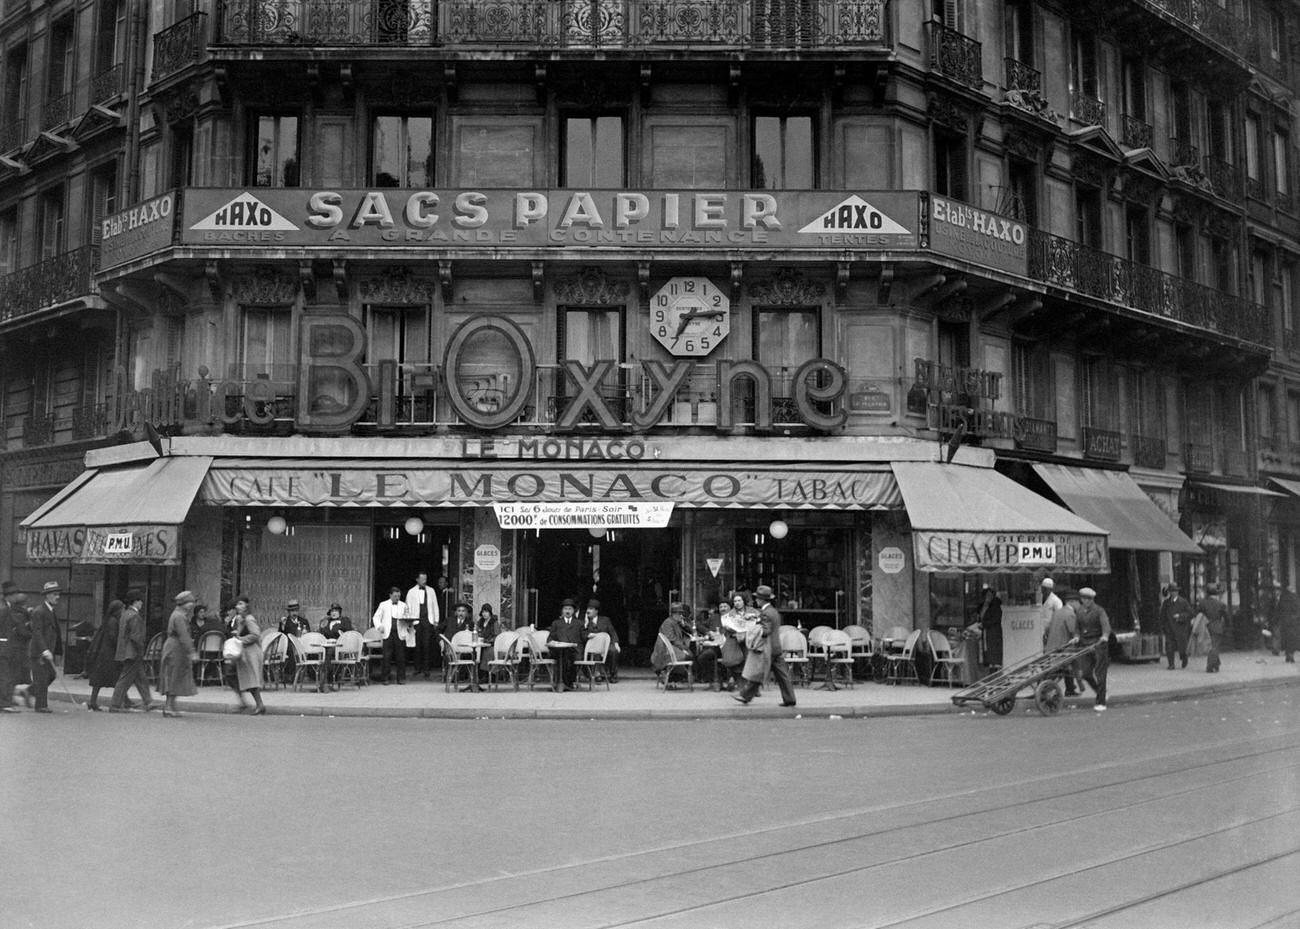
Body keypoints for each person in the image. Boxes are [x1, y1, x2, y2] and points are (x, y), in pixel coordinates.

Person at [734, 585, 797, 708]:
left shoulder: (765, 613)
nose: (756, 600)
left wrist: (753, 629)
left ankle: (745, 696)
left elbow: (766, 630)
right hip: (776, 647)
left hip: (767, 648)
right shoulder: (773, 611)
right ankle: (790, 699)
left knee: (758, 671)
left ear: (762, 600)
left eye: (757, 598)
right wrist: (757, 618)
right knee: (782, 675)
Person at [110, 590, 156, 712]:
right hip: (133, 652)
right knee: (125, 679)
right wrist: (141, 650)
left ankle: (148, 701)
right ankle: (115, 705)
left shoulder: (125, 614)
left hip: (125, 651)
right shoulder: (135, 616)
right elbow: (136, 637)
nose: (142, 603)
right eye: (140, 600)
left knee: (141, 678)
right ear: (135, 601)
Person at [1071, 587, 1112, 712]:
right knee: (1086, 673)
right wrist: (1076, 637)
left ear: (1092, 599)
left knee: (1100, 673)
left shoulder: (1099, 611)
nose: (1086, 601)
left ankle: (1101, 702)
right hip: (1085, 643)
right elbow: (1077, 627)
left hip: (1098, 643)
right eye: (1084, 599)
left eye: (1089, 599)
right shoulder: (1079, 611)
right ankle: (1101, 692)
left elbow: (1106, 625)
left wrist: (1105, 635)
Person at [159, 590, 199, 717]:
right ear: (182, 603)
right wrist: (192, 651)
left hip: (174, 646)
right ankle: (169, 707)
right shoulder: (180, 617)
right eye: (189, 602)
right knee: (175, 676)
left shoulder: (177, 614)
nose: (191, 605)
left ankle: (170, 706)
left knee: (173, 675)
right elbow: (184, 635)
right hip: (176, 648)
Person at [27, 581, 61, 713]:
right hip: (39, 652)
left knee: (50, 675)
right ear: (47, 596)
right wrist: (45, 650)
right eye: (54, 594)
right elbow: (37, 632)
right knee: (42, 677)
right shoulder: (39, 611)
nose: (57, 597)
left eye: (58, 594)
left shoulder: (50, 610)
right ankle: (41, 705)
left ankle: (29, 691)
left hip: (47, 650)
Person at [85, 599, 126, 711]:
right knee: (118, 679)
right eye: (122, 608)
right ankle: (121, 702)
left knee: (99, 681)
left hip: (103, 654)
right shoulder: (113, 622)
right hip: (109, 654)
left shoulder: (108, 620)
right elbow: (114, 637)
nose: (123, 611)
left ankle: (93, 702)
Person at [228, 595, 266, 714]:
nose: (237, 607)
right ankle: (244, 702)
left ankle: (259, 705)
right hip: (244, 653)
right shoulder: (240, 619)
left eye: (240, 604)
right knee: (232, 675)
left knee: (251, 679)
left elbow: (255, 635)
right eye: (237, 604)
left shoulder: (249, 619)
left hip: (251, 653)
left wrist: (240, 639)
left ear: (246, 606)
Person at [1043, 589, 1080, 696]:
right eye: (1078, 602)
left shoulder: (1058, 612)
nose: (1079, 605)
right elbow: (1074, 632)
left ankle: (1070, 689)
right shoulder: (1070, 614)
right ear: (1072, 602)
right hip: (1062, 649)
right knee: (1069, 664)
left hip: (1051, 647)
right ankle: (1068, 689)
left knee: (1068, 667)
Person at [372, 586, 412, 685]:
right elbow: (376, 617)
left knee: (401, 657)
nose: (397, 598)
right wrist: (379, 626)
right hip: (387, 634)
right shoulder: (383, 605)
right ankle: (385, 678)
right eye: (395, 596)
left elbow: (408, 617)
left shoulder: (404, 605)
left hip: (400, 633)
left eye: (398, 596)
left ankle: (401, 678)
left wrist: (409, 623)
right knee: (387, 657)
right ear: (390, 595)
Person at [0, 581, 30, 712]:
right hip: (4, 647)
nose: (16, 596)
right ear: (9, 596)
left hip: (7, 646)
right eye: (15, 594)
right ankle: (5, 703)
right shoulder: (4, 609)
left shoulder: (8, 607)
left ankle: (6, 701)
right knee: (6, 676)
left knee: (7, 675)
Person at [406, 572, 441, 680]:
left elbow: (435, 605)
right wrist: (409, 621)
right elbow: (407, 606)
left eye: (425, 579)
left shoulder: (431, 590)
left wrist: (436, 620)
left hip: (428, 621)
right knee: (417, 645)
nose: (424, 581)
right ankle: (417, 668)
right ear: (417, 580)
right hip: (416, 621)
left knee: (427, 645)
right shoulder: (411, 592)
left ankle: (426, 669)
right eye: (422, 579)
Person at [651, 602, 693, 688]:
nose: (681, 616)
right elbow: (672, 639)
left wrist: (684, 625)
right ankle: (671, 677)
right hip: (666, 651)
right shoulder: (668, 623)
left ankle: (677, 678)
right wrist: (684, 648)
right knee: (688, 655)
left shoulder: (677, 623)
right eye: (680, 613)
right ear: (675, 614)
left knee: (691, 654)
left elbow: (691, 631)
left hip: (674, 648)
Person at [547, 598, 585, 691]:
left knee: (568, 657)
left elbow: (584, 636)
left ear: (573, 611)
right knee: (562, 656)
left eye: (569, 609)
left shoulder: (579, 623)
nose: (567, 611)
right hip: (559, 651)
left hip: (574, 651)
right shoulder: (556, 623)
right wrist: (553, 643)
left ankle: (567, 683)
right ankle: (561, 683)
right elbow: (550, 638)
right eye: (565, 609)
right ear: (562, 611)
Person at [581, 598, 620, 684]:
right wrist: (587, 629)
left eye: (591, 609)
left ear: (596, 611)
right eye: (588, 609)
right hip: (592, 646)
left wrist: (616, 643)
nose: (588, 611)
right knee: (595, 652)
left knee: (613, 650)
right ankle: (596, 674)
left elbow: (612, 632)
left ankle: (613, 675)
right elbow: (582, 635)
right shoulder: (584, 622)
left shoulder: (605, 620)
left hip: (605, 645)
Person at [1159, 581, 1195, 669]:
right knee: (1169, 646)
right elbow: (1162, 616)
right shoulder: (1166, 603)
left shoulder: (1183, 602)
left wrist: (1180, 616)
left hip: (1180, 628)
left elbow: (1191, 613)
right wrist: (1163, 626)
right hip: (1169, 628)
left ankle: (1184, 658)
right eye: (1171, 591)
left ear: (1177, 592)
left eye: (1174, 591)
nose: (1173, 593)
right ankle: (1171, 664)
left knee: (1182, 647)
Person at [1196, 582, 1228, 674]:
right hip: (1217, 627)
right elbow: (1226, 616)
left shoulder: (1202, 603)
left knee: (1212, 646)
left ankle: (1216, 664)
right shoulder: (1220, 604)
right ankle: (1211, 666)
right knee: (1214, 647)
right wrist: (1227, 626)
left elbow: (1197, 613)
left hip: (1205, 627)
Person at [977, 585, 1003, 669]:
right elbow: (980, 616)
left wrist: (984, 624)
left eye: (990, 595)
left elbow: (995, 619)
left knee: (993, 654)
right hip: (986, 632)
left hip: (993, 633)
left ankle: (994, 669)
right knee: (988, 653)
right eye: (987, 595)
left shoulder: (996, 606)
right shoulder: (984, 605)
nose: (988, 597)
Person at [1276, 581, 1300, 663]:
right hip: (1293, 622)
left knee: (1286, 639)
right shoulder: (1295, 597)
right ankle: (1291, 655)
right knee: (1293, 639)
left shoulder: (1283, 597)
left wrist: (1278, 619)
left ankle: (1287, 654)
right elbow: (1297, 610)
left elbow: (1279, 610)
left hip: (1284, 621)